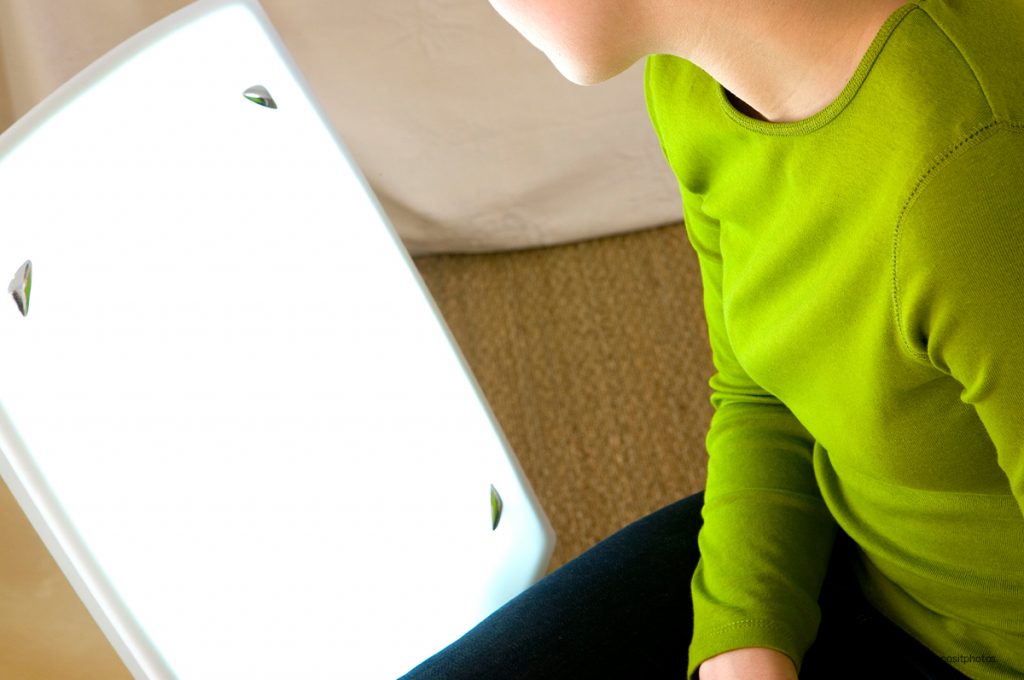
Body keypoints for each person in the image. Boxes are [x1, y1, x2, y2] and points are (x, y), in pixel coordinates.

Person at [400, 0, 1024, 678]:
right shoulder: (696, 77)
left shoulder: (974, 178)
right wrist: (744, 637)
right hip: (854, 539)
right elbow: (764, 391)